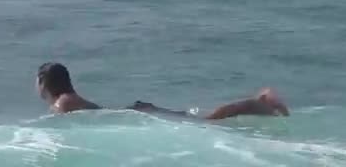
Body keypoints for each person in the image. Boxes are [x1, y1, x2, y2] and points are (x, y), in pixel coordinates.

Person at [36, 62, 290, 120]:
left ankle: (260, 100)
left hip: (139, 116)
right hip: (138, 112)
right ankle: (259, 101)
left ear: (43, 83)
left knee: (208, 121)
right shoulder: (69, 99)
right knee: (203, 119)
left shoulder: (63, 103)